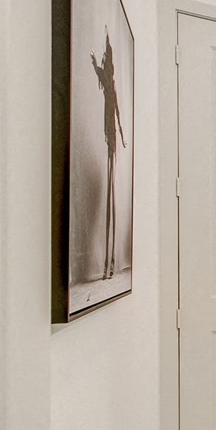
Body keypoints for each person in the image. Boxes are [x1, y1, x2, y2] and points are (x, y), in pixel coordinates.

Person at [90, 29, 127, 280]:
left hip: (111, 138)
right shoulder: (108, 84)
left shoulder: (110, 86)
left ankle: (110, 264)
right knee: (109, 190)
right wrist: (94, 60)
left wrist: (121, 136)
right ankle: (107, 265)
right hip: (109, 137)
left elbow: (117, 116)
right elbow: (100, 74)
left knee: (111, 189)